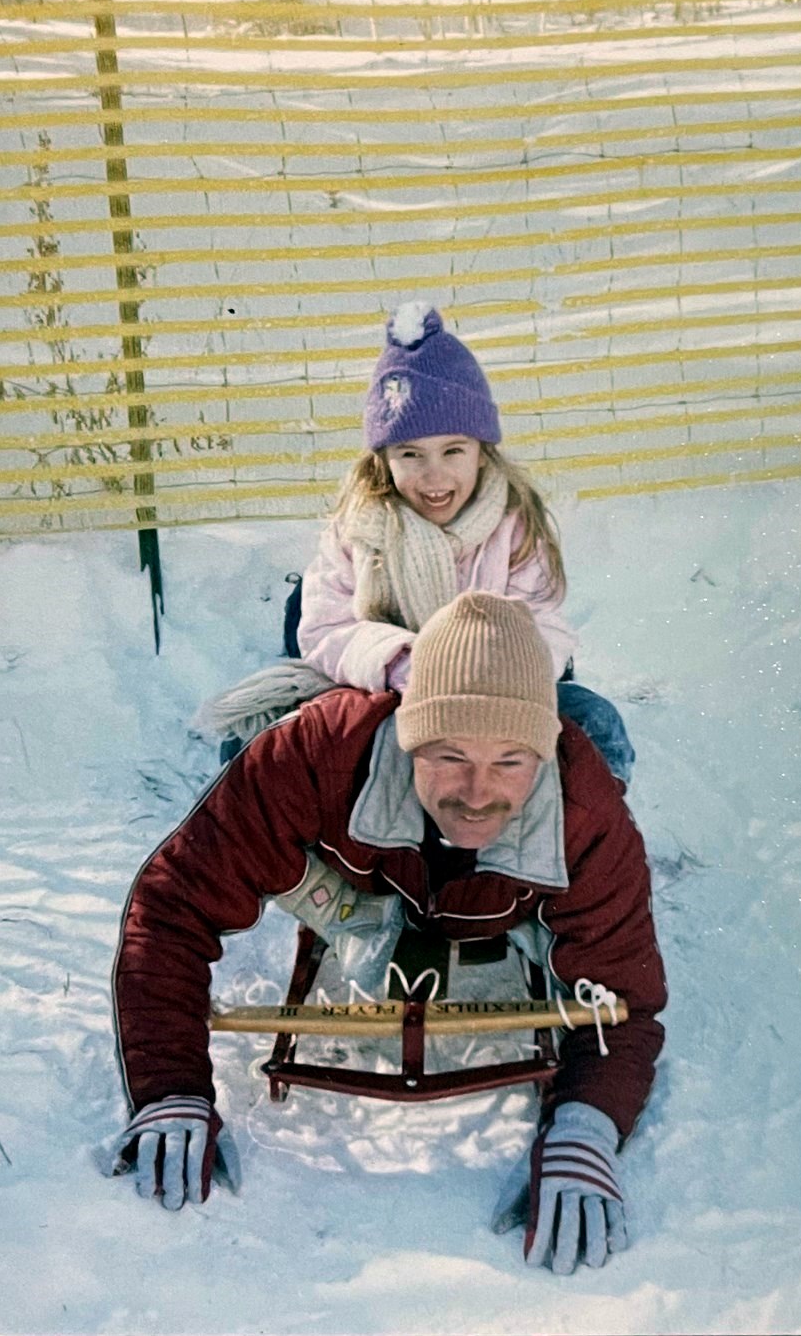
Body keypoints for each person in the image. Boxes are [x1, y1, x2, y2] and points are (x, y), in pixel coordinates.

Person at [111, 592, 666, 1274]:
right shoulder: (320, 752)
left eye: (511, 761)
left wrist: (587, 1126)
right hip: (358, 882)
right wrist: (171, 1088)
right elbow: (173, 904)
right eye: (449, 754)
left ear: (545, 751)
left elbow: (626, 996)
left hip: (500, 901)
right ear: (407, 733)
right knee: (242, 784)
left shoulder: (584, 807)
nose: (476, 791)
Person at [198, 302, 635, 785]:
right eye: (411, 454)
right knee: (260, 744)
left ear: (483, 454)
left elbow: (543, 628)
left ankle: (571, 848)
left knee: (594, 723)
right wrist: (412, 666)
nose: (434, 475)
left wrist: (475, 679)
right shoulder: (360, 526)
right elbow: (325, 629)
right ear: (384, 460)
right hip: (378, 691)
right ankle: (286, 854)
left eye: (453, 451)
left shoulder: (514, 526)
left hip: (497, 697)